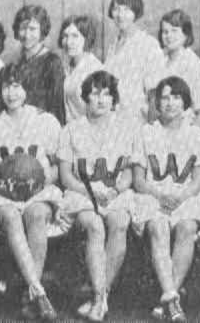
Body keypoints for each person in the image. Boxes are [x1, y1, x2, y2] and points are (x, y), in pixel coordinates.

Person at [0, 63, 64, 320]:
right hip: (2, 192)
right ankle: (39, 292)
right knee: (12, 217)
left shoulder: (46, 120)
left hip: (38, 191)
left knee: (36, 215)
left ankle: (29, 293)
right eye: (5, 87)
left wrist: (43, 180)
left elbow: (59, 165)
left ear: (27, 89)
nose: (11, 93)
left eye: (17, 86)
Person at [131, 76, 200, 322]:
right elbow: (138, 179)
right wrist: (160, 194)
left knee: (187, 226)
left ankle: (167, 297)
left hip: (185, 195)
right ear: (156, 103)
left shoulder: (195, 134)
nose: (170, 103)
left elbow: (198, 180)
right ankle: (172, 298)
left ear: (185, 102)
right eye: (164, 97)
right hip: (152, 194)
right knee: (158, 227)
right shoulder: (146, 132)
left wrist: (180, 196)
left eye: (176, 97)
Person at [58, 70, 136, 322]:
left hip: (114, 191)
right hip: (81, 192)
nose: (100, 100)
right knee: (94, 226)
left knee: (120, 222)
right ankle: (100, 297)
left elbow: (129, 173)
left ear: (114, 98)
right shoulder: (72, 129)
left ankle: (100, 296)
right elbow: (66, 175)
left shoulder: (126, 128)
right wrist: (89, 192)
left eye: (106, 94)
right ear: (85, 98)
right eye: (94, 93)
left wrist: (114, 190)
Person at [104, 0, 164, 123]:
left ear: (136, 12)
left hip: (138, 122)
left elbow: (155, 94)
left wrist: (151, 130)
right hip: (112, 122)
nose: (120, 15)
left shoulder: (148, 44)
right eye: (116, 9)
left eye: (126, 10)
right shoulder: (112, 46)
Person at [157, 9, 200, 132]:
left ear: (186, 34)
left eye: (174, 31)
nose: (169, 36)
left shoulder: (194, 66)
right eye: (165, 32)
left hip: (184, 132)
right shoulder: (159, 61)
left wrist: (187, 138)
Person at [13, 5, 66, 125]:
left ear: (42, 30)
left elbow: (57, 107)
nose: (26, 35)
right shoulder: (18, 62)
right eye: (23, 28)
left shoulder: (52, 62)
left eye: (32, 29)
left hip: (43, 128)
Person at [58, 15, 103, 122]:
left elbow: (100, 112)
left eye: (75, 36)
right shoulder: (67, 66)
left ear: (86, 38)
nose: (69, 42)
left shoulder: (94, 68)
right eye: (65, 36)